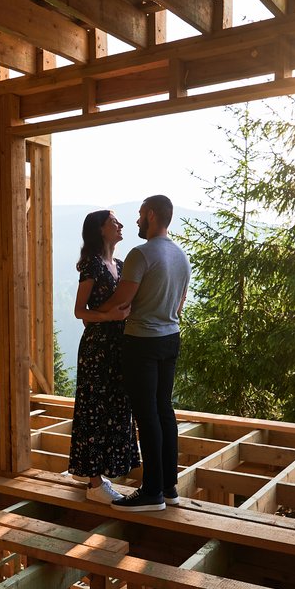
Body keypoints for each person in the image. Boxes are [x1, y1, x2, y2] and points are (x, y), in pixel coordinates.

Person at [102, 195, 190, 512]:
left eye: (140, 214)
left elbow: (121, 301)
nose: (137, 220)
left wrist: (93, 309)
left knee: (146, 415)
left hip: (142, 341)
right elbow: (180, 304)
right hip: (170, 338)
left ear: (151, 215)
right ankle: (168, 487)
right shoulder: (181, 255)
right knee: (164, 410)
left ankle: (151, 492)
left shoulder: (140, 254)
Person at [66, 209, 139, 504]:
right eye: (113, 221)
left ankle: (95, 474)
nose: (120, 224)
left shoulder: (120, 266)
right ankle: (95, 483)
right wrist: (109, 316)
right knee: (94, 410)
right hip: (97, 349)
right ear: (100, 230)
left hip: (118, 347)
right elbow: (79, 311)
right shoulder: (92, 265)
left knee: (115, 408)